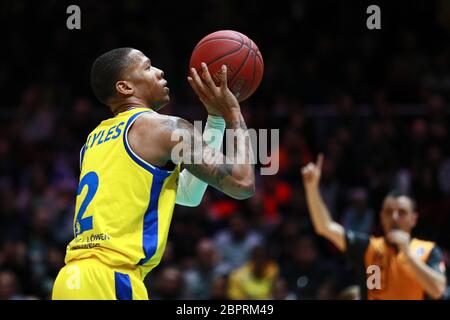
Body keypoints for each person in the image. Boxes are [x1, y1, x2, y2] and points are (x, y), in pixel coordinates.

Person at [52, 47, 255, 300]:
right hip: (111, 281)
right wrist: (233, 112)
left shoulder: (92, 142)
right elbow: (242, 182)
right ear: (125, 88)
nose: (159, 72)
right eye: (148, 67)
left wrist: (216, 120)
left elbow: (188, 194)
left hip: (72, 279)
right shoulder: (164, 127)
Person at [301, 154, 447, 300]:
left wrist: (407, 254)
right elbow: (324, 226)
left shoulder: (428, 251)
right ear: (382, 217)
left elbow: (438, 290)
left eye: (402, 212)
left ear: (413, 219)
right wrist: (312, 188)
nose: (394, 217)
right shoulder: (367, 248)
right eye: (389, 212)